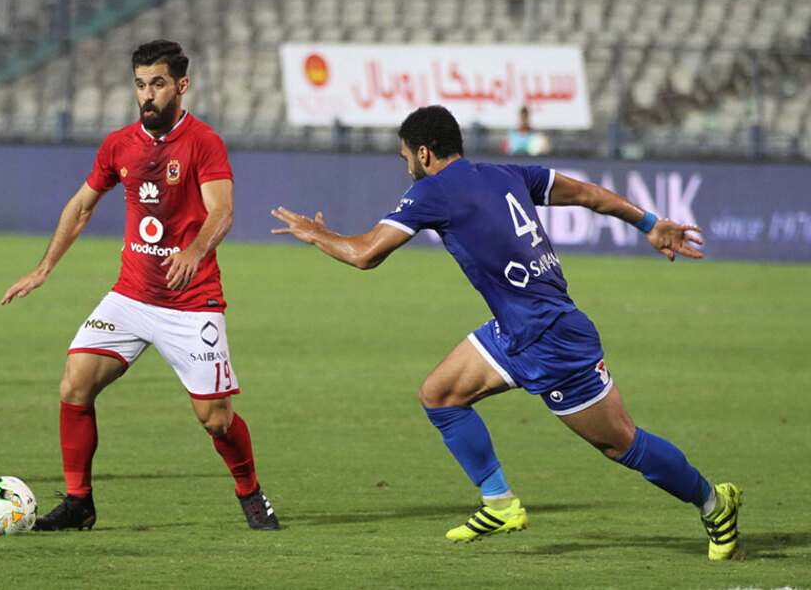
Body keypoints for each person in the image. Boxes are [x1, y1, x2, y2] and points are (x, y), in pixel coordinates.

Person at [270, 105, 740, 560]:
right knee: (439, 395)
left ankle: (713, 503)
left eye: (406, 157)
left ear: (424, 154)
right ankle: (499, 503)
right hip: (513, 330)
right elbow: (588, 195)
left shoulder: (432, 191)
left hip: (551, 338)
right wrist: (650, 223)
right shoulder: (508, 173)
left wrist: (318, 235)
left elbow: (366, 254)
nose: (407, 166)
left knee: (621, 443)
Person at [1, 40, 279, 531]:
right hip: (131, 296)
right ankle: (79, 503)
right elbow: (81, 206)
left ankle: (250, 492)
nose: (147, 94)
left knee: (215, 419)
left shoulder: (203, 142)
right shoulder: (119, 144)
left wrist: (194, 251)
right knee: (75, 383)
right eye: (140, 84)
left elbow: (222, 211)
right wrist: (43, 268)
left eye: (158, 84)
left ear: (181, 85)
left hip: (191, 303)